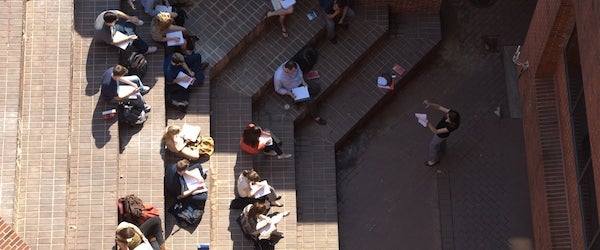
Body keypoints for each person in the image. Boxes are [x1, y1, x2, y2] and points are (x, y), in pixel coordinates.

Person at [273, 60, 327, 125]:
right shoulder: (278, 77)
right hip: (293, 89)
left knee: (317, 88)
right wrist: (289, 93)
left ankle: (301, 99)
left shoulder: (294, 65)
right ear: (287, 69)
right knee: (311, 102)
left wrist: (303, 81)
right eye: (292, 71)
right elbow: (278, 89)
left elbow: (299, 72)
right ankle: (316, 117)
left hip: (300, 81)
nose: (294, 72)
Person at [423, 100, 460, 166]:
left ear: (452, 122)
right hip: (444, 135)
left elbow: (436, 131)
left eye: (448, 118)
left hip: (440, 135)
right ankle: (443, 150)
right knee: (442, 141)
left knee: (432, 145)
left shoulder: (451, 127)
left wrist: (428, 123)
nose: (446, 118)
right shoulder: (452, 113)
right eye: (447, 115)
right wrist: (430, 104)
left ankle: (433, 161)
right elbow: (439, 107)